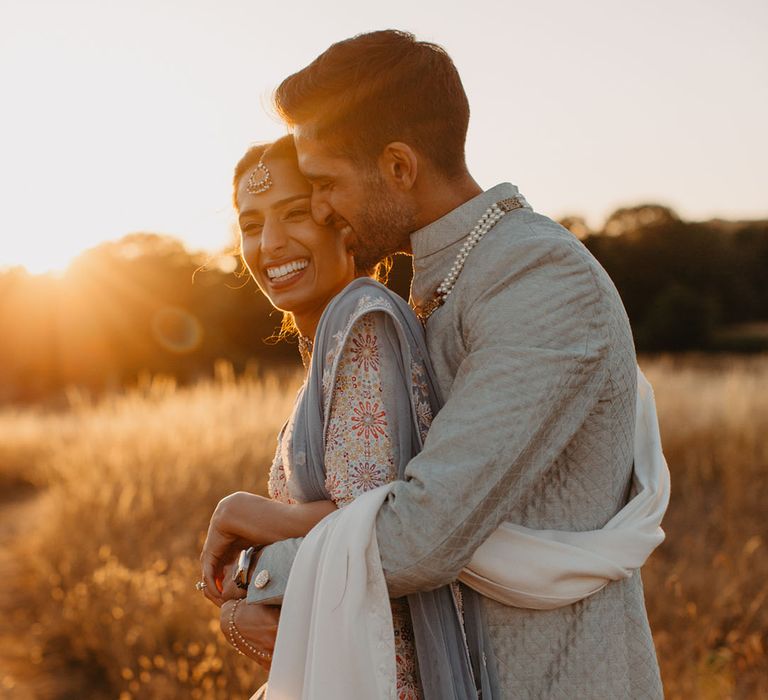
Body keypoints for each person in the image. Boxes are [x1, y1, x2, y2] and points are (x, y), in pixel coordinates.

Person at [238, 29, 665, 698]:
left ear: (400, 167)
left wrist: (256, 574)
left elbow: (423, 535)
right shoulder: (437, 285)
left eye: (323, 183)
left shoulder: (536, 277)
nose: (321, 208)